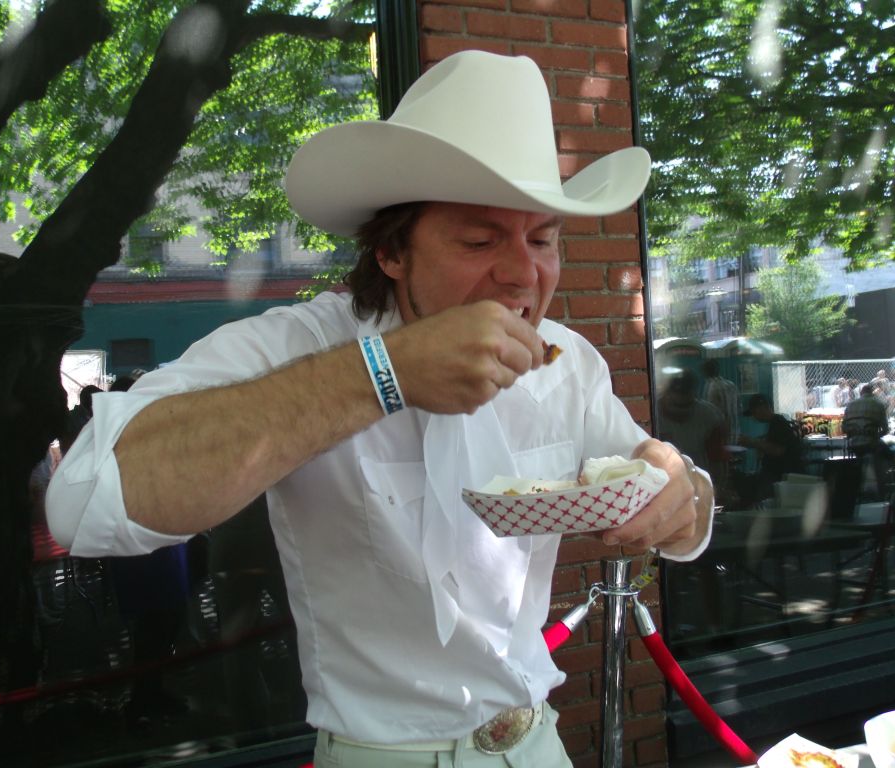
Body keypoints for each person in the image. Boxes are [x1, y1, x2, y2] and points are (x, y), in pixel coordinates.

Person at [46, 51, 713, 767]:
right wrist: (380, 375)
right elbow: (85, 504)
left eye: (544, 238)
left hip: (540, 743)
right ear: (392, 252)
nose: (524, 272)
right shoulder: (298, 345)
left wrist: (681, 492)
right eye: (480, 239)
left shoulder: (567, 363)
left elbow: (681, 501)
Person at [738, 393, 804, 503]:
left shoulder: (778, 422)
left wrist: (754, 442)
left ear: (763, 407)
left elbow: (778, 450)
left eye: (754, 413)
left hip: (779, 477)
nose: (754, 417)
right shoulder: (776, 423)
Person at [702, 359, 740, 444]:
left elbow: (710, 412)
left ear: (705, 371)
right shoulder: (731, 384)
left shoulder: (711, 387)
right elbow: (739, 407)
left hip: (719, 433)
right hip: (735, 432)